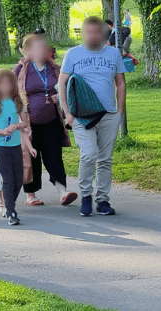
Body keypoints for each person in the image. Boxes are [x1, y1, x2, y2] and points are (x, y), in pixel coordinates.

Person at [59, 16, 127, 217]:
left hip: (108, 115)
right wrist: (68, 114)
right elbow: (61, 84)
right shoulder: (73, 54)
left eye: (97, 32)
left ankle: (103, 200)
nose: (93, 36)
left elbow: (120, 82)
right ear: (83, 33)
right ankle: (86, 196)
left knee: (105, 159)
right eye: (88, 32)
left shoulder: (114, 54)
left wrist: (119, 112)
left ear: (104, 33)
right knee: (89, 154)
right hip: (82, 116)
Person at [14, 33, 78, 207]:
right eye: (37, 47)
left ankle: (63, 192)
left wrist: (59, 96)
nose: (42, 50)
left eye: (44, 47)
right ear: (27, 51)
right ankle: (30, 196)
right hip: (29, 123)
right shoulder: (19, 70)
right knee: (30, 158)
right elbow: (13, 96)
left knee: (54, 157)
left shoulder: (55, 68)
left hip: (51, 120)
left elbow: (65, 87)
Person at [0, 69, 37, 226]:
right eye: (2, 83)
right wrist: (1, 131)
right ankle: (11, 212)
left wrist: (16, 126)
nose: (5, 87)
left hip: (16, 146)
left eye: (8, 83)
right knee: (7, 179)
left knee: (18, 179)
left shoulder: (17, 102)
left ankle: (8, 204)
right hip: (1, 146)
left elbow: (25, 124)